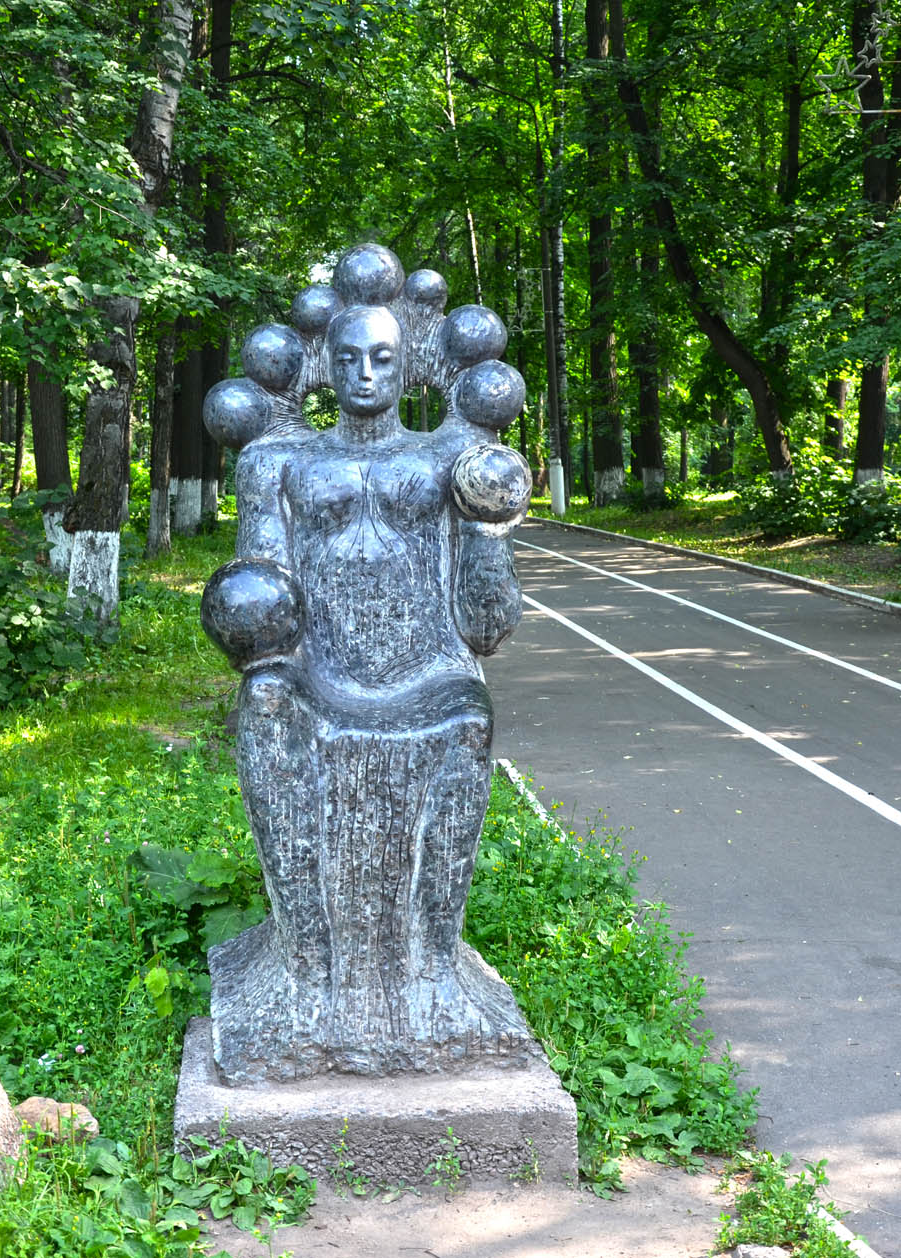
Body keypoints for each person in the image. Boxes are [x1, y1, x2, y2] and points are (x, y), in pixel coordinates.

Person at [199, 266, 534, 1084]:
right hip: (319, 674)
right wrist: (253, 638)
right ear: (324, 364)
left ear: (409, 358)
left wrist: (491, 532)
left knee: (468, 719)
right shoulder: (277, 462)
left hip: (429, 668)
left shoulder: (453, 457)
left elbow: (487, 626)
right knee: (265, 701)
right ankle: (305, 968)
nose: (366, 375)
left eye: (384, 358)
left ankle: (432, 968)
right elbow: (263, 590)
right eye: (349, 358)